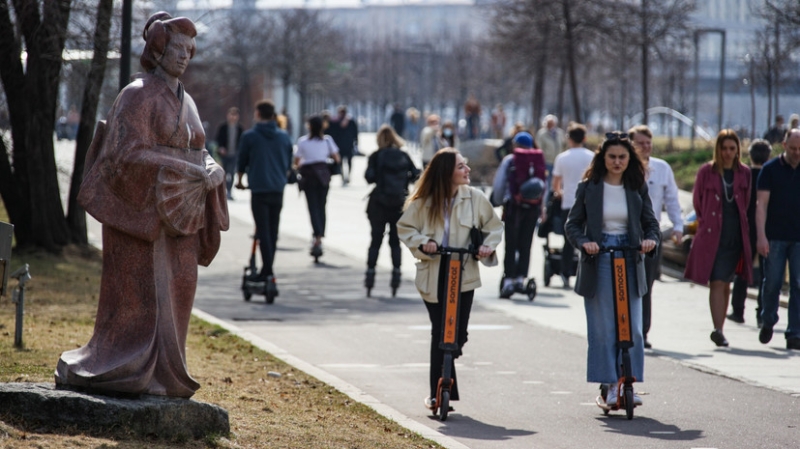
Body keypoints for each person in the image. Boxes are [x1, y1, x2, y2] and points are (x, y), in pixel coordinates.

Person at [57, 12, 229, 398]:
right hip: (142, 214)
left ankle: (168, 374)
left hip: (182, 213)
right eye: (177, 48)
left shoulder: (188, 101)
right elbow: (123, 154)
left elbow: (200, 150)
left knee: (181, 288)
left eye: (190, 50)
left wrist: (212, 168)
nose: (184, 56)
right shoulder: (137, 94)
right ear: (158, 49)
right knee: (143, 296)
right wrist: (179, 166)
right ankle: (131, 368)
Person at [397, 147, 503, 412]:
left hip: (463, 270)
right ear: (446, 172)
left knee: (458, 334)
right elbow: (405, 228)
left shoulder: (475, 198)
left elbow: (494, 227)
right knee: (440, 332)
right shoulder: (424, 202)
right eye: (461, 166)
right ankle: (437, 393)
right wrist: (424, 242)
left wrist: (487, 247)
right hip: (433, 272)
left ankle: (446, 376)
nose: (467, 170)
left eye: (465, 165)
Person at [565, 131, 659, 408]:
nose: (617, 162)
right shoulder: (589, 187)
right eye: (612, 157)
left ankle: (627, 380)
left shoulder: (636, 186)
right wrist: (585, 243)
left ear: (630, 159)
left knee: (634, 329)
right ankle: (608, 386)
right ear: (602, 158)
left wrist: (650, 241)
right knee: (604, 328)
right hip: (600, 256)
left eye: (622, 157)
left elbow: (651, 223)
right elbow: (572, 225)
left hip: (630, 255)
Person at [684, 129, 752, 348]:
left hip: (735, 235)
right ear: (718, 149)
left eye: (732, 148)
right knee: (717, 280)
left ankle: (720, 328)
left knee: (725, 282)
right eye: (724, 148)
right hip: (712, 235)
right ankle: (718, 329)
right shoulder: (707, 171)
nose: (728, 153)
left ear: (738, 150)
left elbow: (746, 202)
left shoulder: (744, 173)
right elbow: (697, 201)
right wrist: (705, 222)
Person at [628, 125, 684, 349]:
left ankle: (642, 331)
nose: (645, 147)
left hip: (652, 234)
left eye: (648, 143)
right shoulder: (623, 167)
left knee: (646, 284)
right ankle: (626, 328)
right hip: (627, 234)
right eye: (640, 143)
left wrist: (678, 226)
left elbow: (671, 199)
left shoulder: (661, 168)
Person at [235, 99, 294, 293]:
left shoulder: (250, 136)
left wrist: (240, 181)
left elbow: (242, 161)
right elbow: (288, 163)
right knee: (273, 231)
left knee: (263, 231)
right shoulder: (284, 137)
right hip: (277, 189)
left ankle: (267, 272)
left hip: (259, 189)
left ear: (258, 114)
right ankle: (268, 271)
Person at [756, 128, 800, 350]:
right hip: (774, 237)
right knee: (772, 282)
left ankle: (794, 332)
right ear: (784, 146)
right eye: (793, 148)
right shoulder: (770, 170)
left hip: (798, 238)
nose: (796, 153)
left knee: (798, 284)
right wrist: (761, 236)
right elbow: (761, 205)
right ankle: (768, 319)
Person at [364, 125, 421, 292]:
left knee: (375, 240)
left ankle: (370, 273)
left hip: (379, 203)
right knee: (395, 241)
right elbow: (416, 174)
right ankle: (396, 273)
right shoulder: (403, 155)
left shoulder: (376, 156)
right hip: (399, 203)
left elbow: (369, 177)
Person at [491, 131, 546, 298]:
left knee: (511, 244)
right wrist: (542, 208)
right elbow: (544, 185)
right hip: (533, 209)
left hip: (514, 208)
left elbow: (500, 184)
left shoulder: (510, 160)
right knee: (526, 244)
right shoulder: (538, 160)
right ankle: (521, 278)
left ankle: (508, 280)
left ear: (515, 144)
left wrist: (498, 201)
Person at [728, 139, 772, 326]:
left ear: (750, 155)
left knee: (742, 271)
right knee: (766, 273)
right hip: (767, 228)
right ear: (768, 156)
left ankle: (738, 310)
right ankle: (762, 313)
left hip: (745, 228)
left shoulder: (744, 175)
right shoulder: (770, 175)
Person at [551, 122, 594, 288]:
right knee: (589, 239)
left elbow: (555, 184)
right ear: (584, 138)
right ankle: (587, 272)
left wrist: (561, 193)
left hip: (569, 203)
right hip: (589, 205)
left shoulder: (562, 158)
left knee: (569, 240)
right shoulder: (592, 157)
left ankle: (565, 272)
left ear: (569, 139)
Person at [295, 115, 341, 258]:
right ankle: (319, 236)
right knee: (321, 206)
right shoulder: (327, 140)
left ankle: (316, 236)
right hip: (323, 177)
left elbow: (297, 161)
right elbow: (337, 158)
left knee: (312, 207)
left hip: (309, 176)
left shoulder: (303, 141)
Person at [215, 107, 244, 200]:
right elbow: (218, 139)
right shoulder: (223, 127)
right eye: (231, 115)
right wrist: (221, 148)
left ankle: (229, 191)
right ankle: (222, 191)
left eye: (235, 115)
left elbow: (242, 141)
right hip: (224, 155)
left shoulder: (240, 129)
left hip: (234, 154)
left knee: (231, 173)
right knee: (223, 173)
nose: (233, 117)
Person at [326, 105, 358, 185]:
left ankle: (344, 176)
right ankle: (345, 176)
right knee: (346, 162)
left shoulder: (336, 122)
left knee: (344, 162)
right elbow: (355, 133)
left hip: (341, 145)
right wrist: (356, 142)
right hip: (346, 145)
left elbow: (330, 132)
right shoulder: (350, 121)